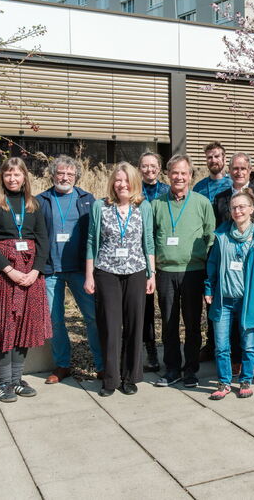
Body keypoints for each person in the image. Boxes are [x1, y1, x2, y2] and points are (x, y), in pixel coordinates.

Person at [0, 157, 50, 403]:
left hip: (29, 274)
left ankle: (17, 379)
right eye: (7, 175)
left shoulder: (33, 204)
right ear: (1, 178)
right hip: (0, 275)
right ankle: (4, 383)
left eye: (17, 174)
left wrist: (35, 271)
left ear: (25, 176)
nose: (12, 179)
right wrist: (8, 270)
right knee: (2, 327)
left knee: (24, 327)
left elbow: (43, 240)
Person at [84, 162, 155, 397]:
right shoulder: (99, 206)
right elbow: (92, 241)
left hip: (136, 271)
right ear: (112, 183)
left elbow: (149, 242)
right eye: (118, 180)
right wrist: (89, 275)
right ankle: (111, 378)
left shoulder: (143, 207)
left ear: (134, 182)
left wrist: (151, 274)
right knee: (111, 326)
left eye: (126, 180)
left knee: (135, 326)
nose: (122, 184)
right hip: (107, 272)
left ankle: (130, 377)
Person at [36, 155, 103, 384]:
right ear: (53, 174)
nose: (65, 177)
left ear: (76, 177)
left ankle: (102, 364)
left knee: (92, 317)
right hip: (51, 269)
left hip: (80, 270)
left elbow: (96, 234)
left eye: (70, 174)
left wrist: (93, 270)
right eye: (61, 173)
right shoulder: (41, 200)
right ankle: (62, 364)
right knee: (55, 320)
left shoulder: (87, 199)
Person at [151, 155, 215, 388]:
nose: (179, 177)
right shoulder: (156, 204)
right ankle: (172, 369)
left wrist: (209, 270)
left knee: (192, 323)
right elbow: (149, 238)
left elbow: (211, 237)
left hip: (193, 271)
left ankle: (191, 369)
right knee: (168, 323)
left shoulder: (201, 202)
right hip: (165, 271)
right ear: (167, 174)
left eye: (183, 173)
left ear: (190, 176)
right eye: (174, 172)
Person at [204, 189, 254, 400]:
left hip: (247, 300)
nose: (237, 211)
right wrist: (209, 288)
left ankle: (245, 380)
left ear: (251, 209)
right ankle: (224, 382)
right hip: (223, 299)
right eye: (234, 207)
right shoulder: (221, 236)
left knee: (249, 345)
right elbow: (213, 264)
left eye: (242, 206)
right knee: (222, 345)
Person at [212, 153, 254, 376]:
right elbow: (217, 231)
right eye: (234, 168)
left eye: (243, 168)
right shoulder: (220, 198)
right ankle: (236, 360)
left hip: (253, 259)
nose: (238, 172)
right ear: (229, 171)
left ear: (250, 170)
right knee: (230, 314)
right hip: (229, 262)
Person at [193, 142, 231, 363]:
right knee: (208, 299)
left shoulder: (230, 185)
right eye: (209, 157)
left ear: (224, 158)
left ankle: (226, 344)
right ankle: (211, 343)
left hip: (226, 250)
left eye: (217, 156)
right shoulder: (199, 187)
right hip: (205, 251)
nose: (213, 161)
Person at [139, 152, 169, 372]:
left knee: (168, 306)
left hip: (165, 255)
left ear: (160, 168)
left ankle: (170, 350)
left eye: (153, 165)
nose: (149, 170)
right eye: (145, 166)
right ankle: (150, 351)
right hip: (140, 256)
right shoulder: (133, 191)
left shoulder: (167, 192)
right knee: (146, 307)